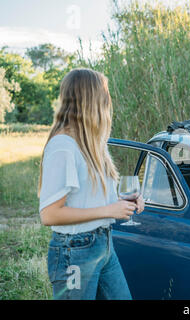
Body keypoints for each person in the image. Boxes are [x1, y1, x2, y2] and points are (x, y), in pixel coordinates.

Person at [38, 68, 144, 300]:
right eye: (104, 93)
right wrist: (109, 210)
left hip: (103, 244)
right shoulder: (63, 147)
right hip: (74, 251)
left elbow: (90, 198)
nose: (109, 100)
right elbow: (50, 214)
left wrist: (123, 204)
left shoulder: (94, 142)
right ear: (89, 99)